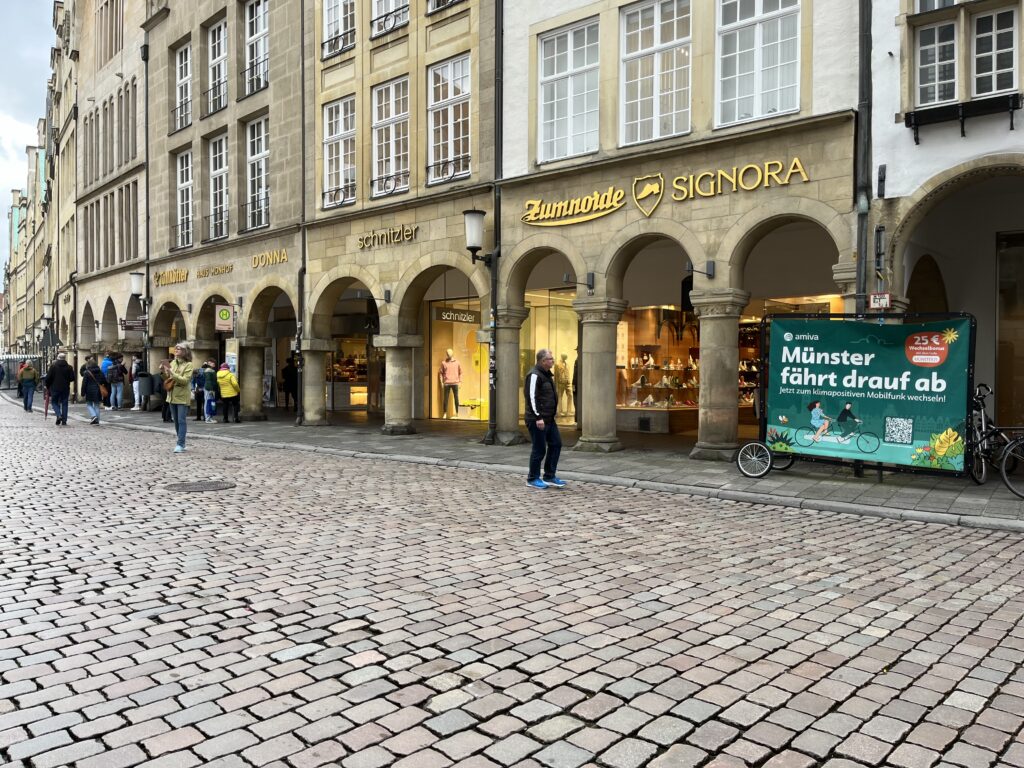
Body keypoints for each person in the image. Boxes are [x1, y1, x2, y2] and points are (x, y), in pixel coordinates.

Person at [523, 348, 566, 489]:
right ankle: (533, 478)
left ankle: (549, 475)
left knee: (556, 444)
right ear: (542, 361)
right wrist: (538, 417)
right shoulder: (534, 375)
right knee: (539, 449)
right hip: (538, 419)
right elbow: (531, 397)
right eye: (550, 359)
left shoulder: (547, 375)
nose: (553, 361)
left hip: (549, 419)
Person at [161, 344, 194, 452]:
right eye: (176, 348)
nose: (176, 350)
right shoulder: (173, 362)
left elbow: (185, 380)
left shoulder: (188, 365)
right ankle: (181, 443)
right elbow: (168, 379)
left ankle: (180, 444)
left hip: (182, 396)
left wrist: (171, 373)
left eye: (179, 348)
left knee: (181, 420)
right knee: (176, 421)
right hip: (171, 395)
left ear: (185, 351)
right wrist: (163, 371)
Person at [44, 352, 76, 426]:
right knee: (65, 403)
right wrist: (66, 380)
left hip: (55, 388)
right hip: (65, 388)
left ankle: (58, 415)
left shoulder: (53, 367)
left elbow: (48, 378)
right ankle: (64, 420)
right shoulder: (69, 367)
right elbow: (72, 378)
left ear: (58, 358)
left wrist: (47, 386)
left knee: (54, 402)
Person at [80, 355, 108, 425]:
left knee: (89, 404)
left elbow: (84, 383)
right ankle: (97, 420)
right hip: (98, 390)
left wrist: (82, 393)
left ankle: (94, 416)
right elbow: (104, 381)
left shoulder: (87, 372)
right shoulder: (100, 372)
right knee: (96, 405)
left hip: (89, 390)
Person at [438, 348, 462, 419]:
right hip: (447, 383)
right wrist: (441, 382)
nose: (448, 354)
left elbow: (460, 373)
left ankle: (458, 413)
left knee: (456, 398)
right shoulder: (443, 363)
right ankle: (445, 413)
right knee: (445, 399)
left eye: (450, 353)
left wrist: (460, 382)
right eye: (447, 353)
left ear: (452, 353)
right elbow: (441, 373)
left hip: (455, 383)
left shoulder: (457, 362)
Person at [203, 359, 219, 423]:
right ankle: (208, 418)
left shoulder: (210, 370)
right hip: (209, 389)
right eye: (212, 362)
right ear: (209, 363)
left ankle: (209, 417)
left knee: (210, 403)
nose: (214, 363)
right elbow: (209, 381)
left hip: (210, 389)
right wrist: (211, 389)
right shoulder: (208, 371)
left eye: (214, 362)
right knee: (208, 403)